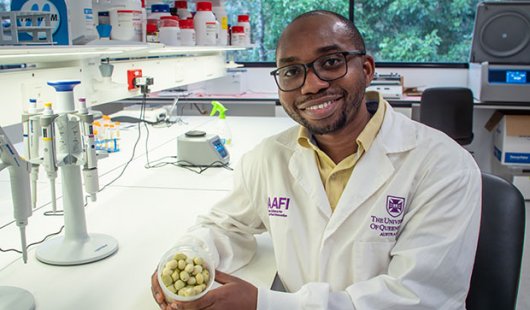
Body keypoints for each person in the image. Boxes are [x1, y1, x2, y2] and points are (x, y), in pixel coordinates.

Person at [151, 10, 481, 310]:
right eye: (292, 71)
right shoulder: (269, 158)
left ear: (366, 69)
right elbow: (226, 225)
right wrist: (191, 254)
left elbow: (416, 299)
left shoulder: (443, 165)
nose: (312, 85)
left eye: (331, 62)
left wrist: (262, 304)